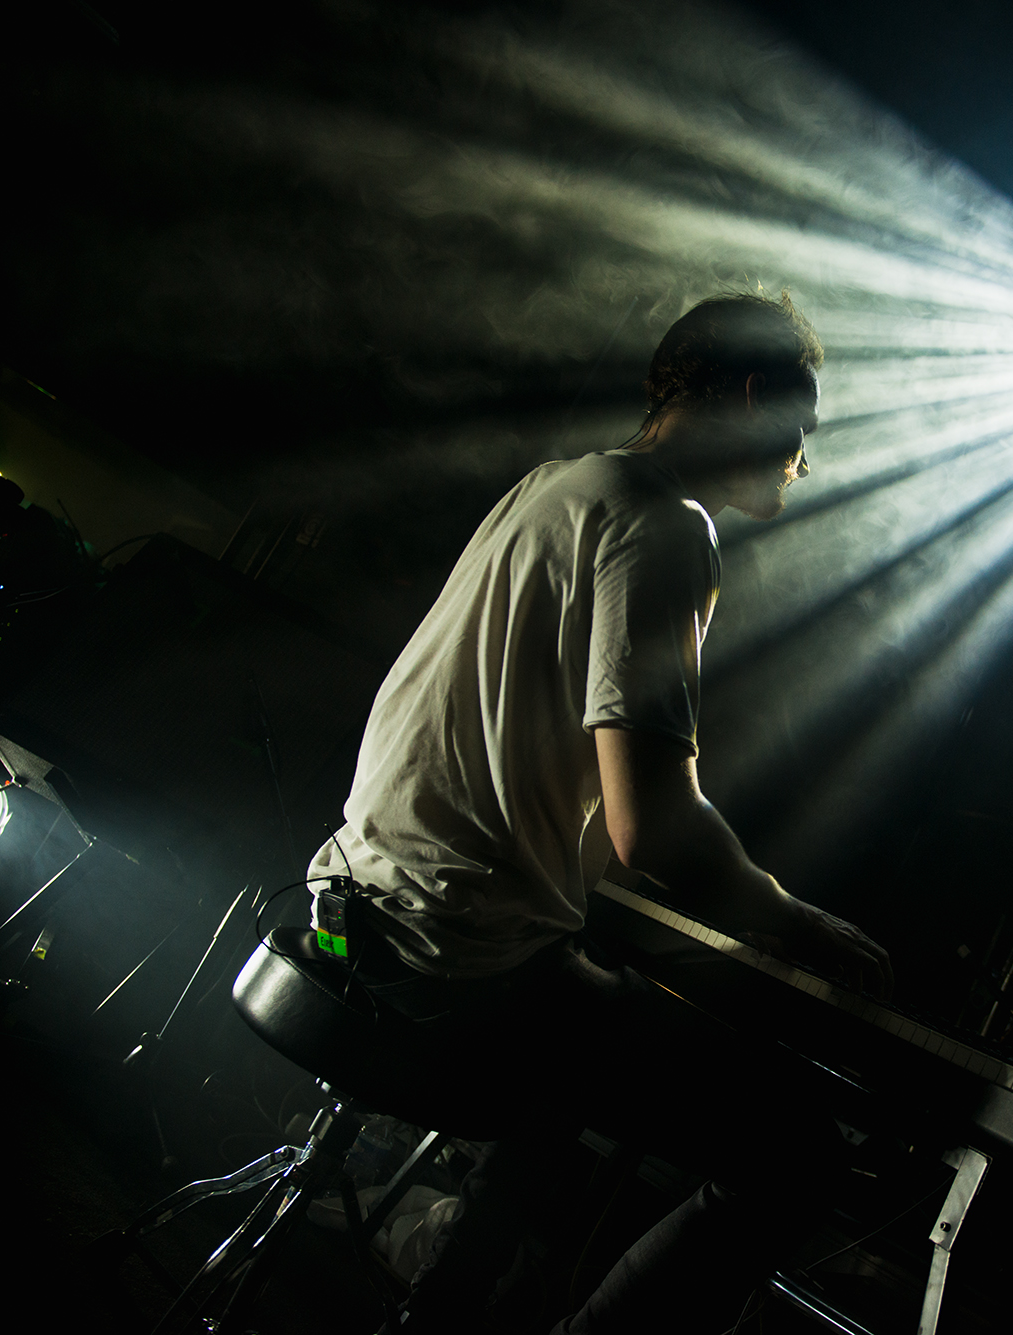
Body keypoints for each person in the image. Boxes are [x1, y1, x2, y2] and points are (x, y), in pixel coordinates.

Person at [305, 292, 892, 1333]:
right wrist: (798, 926)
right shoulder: (668, 527)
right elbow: (651, 829)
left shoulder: (558, 485)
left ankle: (441, 1306)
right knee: (794, 1155)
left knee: (574, 1038)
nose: (802, 459)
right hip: (452, 957)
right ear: (748, 397)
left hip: (353, 896)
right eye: (798, 428)